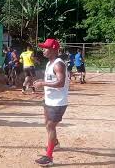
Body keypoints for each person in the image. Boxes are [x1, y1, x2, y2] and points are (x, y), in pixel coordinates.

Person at [33, 38, 69, 166]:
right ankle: (55, 143)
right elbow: (51, 80)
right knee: (47, 124)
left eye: (45, 48)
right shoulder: (49, 63)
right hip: (49, 100)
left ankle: (49, 157)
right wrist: (41, 83)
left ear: (53, 49)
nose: (43, 50)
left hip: (58, 102)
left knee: (50, 126)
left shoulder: (58, 64)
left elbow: (60, 83)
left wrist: (42, 83)